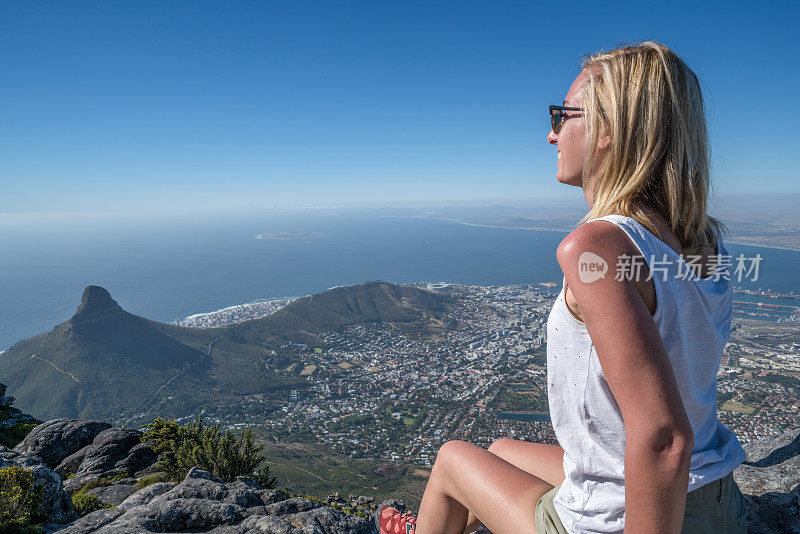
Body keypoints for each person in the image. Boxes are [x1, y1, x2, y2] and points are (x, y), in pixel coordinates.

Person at [375, 41, 748, 534]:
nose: (550, 135)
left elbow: (662, 439)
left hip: (642, 515)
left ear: (608, 130)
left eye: (560, 115)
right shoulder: (702, 242)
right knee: (500, 453)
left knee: (450, 460)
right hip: (716, 497)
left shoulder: (595, 247)